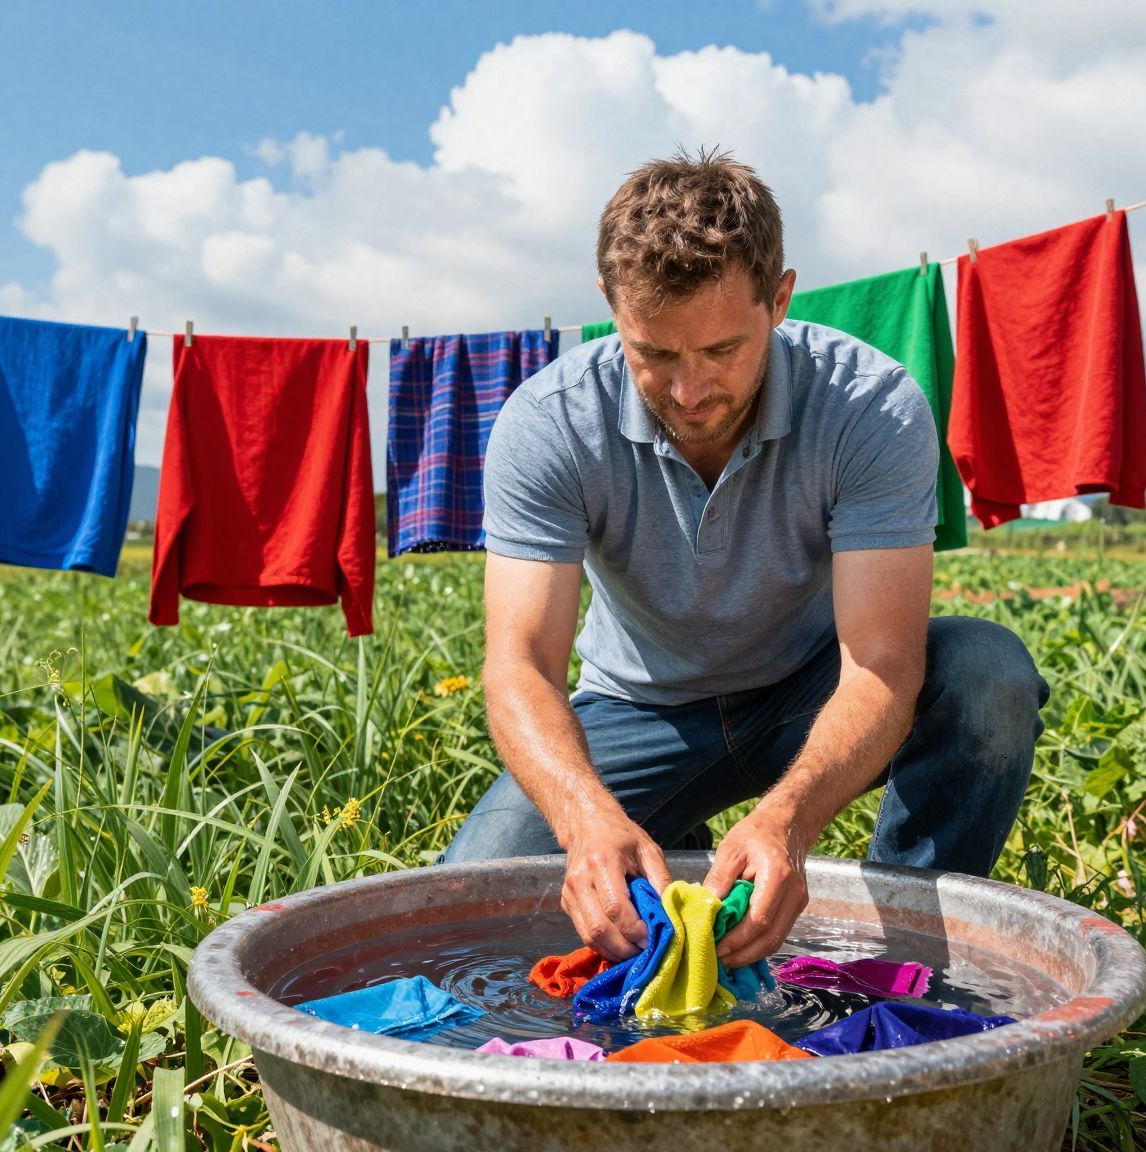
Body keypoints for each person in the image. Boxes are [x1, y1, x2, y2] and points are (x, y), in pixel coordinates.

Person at [439, 147, 1048, 968]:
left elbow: (883, 661)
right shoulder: (550, 422)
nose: (689, 392)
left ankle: (897, 960)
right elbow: (521, 664)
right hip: (639, 710)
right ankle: (670, 845)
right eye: (654, 354)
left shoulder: (870, 407)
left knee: (986, 674)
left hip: (811, 689)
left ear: (780, 300)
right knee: (470, 915)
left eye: (723, 350)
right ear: (611, 306)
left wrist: (788, 821)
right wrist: (586, 819)